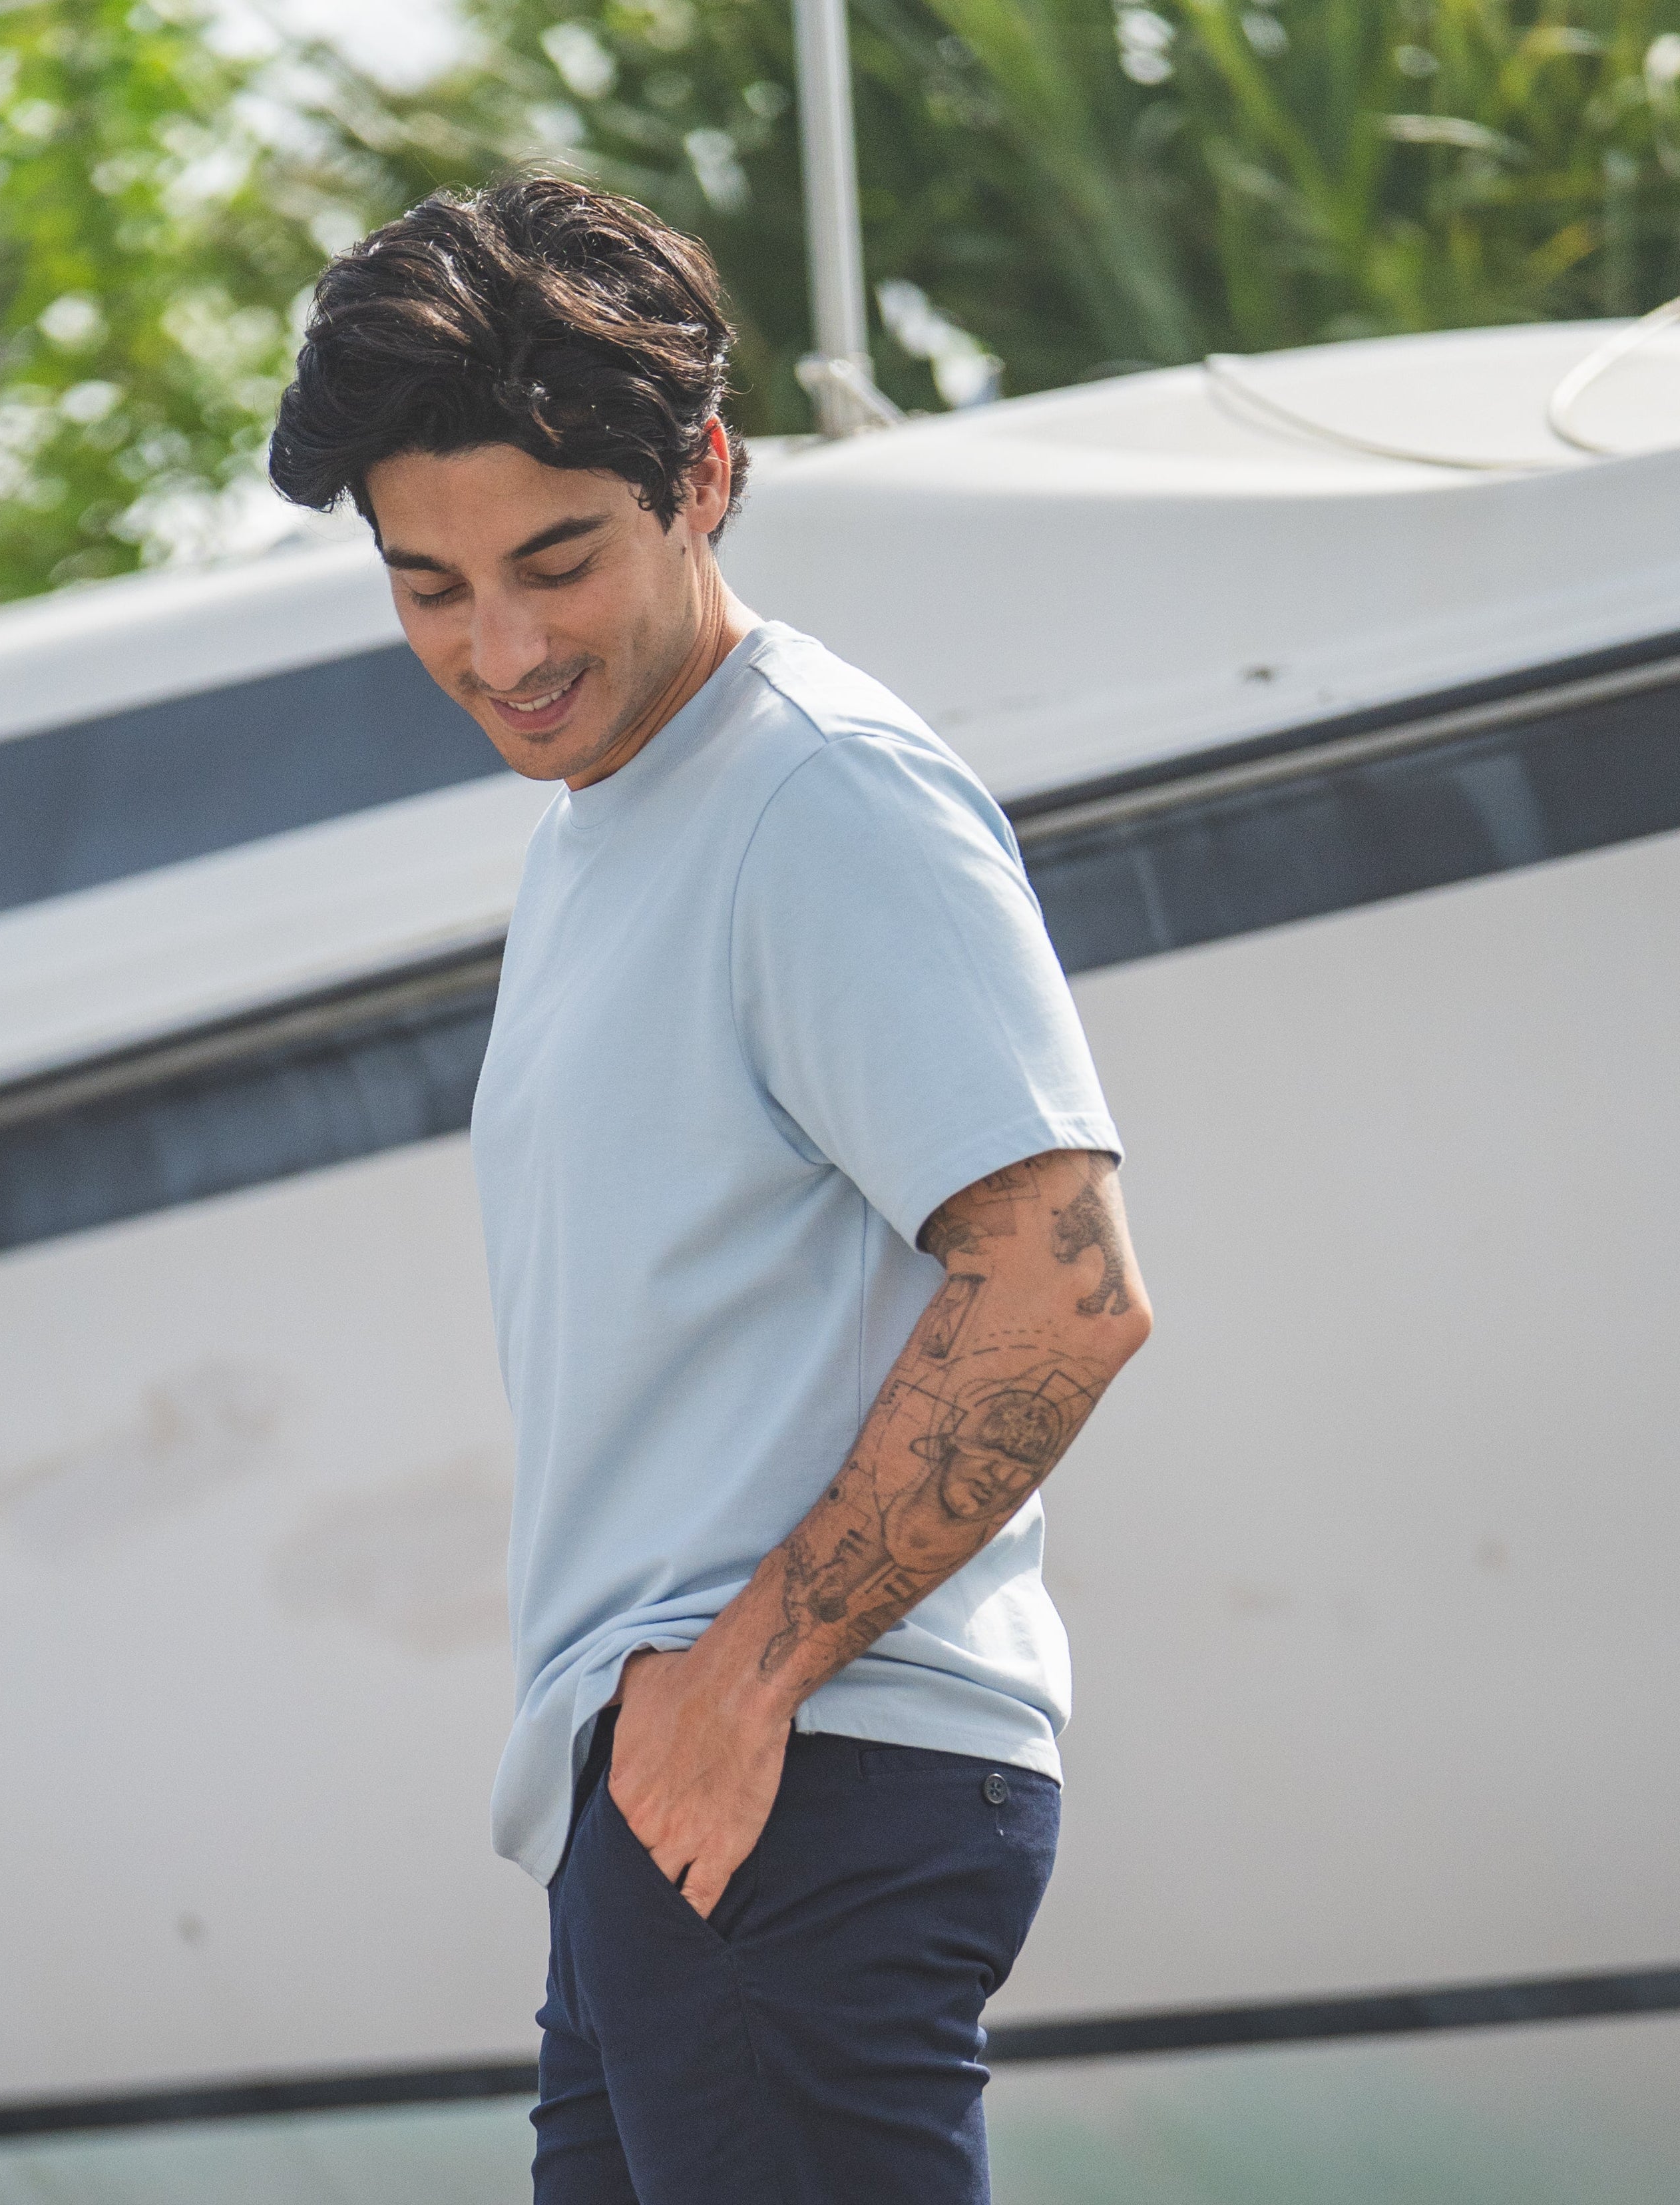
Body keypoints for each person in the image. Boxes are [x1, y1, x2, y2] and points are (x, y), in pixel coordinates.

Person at [269, 176, 1153, 2205]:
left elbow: (1063, 1284)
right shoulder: (611, 824)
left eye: (556, 561)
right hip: (682, 1794)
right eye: (429, 588)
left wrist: (737, 1682)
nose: (500, 648)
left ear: (706, 480)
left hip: (789, 1777)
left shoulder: (813, 793)